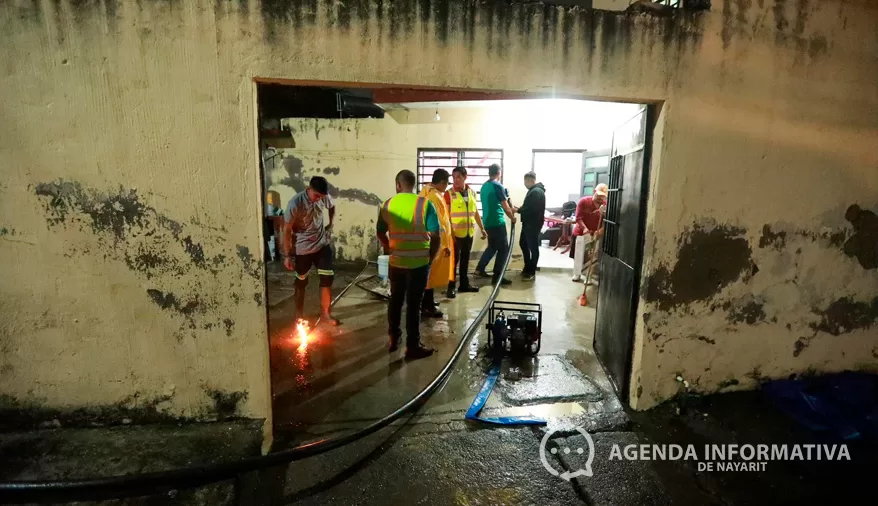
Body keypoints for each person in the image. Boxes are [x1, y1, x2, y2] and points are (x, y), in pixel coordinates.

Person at [376, 169, 440, 360]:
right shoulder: (424, 204)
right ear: (414, 184)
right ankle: (412, 347)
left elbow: (380, 231)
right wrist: (431, 257)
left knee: (395, 301)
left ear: (398, 184)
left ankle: (394, 339)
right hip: (419, 263)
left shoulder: (388, 204)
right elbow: (436, 235)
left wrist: (389, 248)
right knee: (414, 305)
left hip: (396, 263)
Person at [283, 176, 340, 325]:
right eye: (316, 196)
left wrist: (331, 224)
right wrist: (287, 255)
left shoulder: (323, 197)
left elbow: (332, 207)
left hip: (322, 244)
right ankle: (299, 316)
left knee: (327, 279)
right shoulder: (295, 203)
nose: (318, 199)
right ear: (309, 189)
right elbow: (287, 230)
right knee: (301, 282)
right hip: (303, 249)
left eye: (321, 197)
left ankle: (326, 314)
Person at [444, 166, 486, 298]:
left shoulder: (472, 192)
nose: (455, 180)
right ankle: (451, 287)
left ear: (465, 177)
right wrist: (449, 233)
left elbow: (475, 212)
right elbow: (445, 216)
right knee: (453, 261)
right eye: (454, 177)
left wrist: (482, 228)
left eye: (458, 177)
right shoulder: (449, 194)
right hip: (455, 234)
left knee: (465, 260)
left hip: (469, 233)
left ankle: (464, 284)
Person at [418, 169, 453, 317]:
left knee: (428, 273)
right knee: (430, 275)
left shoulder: (425, 192)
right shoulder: (434, 197)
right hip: (435, 242)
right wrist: (444, 245)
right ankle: (427, 306)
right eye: (447, 183)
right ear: (442, 182)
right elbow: (439, 225)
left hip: (426, 240)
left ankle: (427, 301)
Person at [475, 164, 516, 285]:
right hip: (497, 222)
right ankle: (498, 276)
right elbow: (505, 207)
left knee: (492, 247)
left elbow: (495, 203)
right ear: (499, 173)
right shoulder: (497, 186)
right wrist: (512, 218)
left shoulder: (484, 186)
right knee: (503, 249)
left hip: (487, 222)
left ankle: (479, 269)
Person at [572, 183, 608, 282]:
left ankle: (588, 276)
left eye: (603, 196)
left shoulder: (605, 205)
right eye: (599, 195)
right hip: (581, 232)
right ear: (594, 192)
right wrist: (584, 228)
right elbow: (578, 218)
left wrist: (601, 229)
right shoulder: (583, 201)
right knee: (579, 254)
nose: (600, 198)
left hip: (595, 233)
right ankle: (577, 274)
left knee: (592, 255)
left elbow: (607, 220)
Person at [517, 172, 546, 281]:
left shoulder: (535, 192)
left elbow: (531, 209)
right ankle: (527, 267)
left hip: (532, 225)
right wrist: (520, 208)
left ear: (528, 180)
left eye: (525, 181)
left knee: (533, 247)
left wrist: (519, 210)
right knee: (523, 243)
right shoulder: (535, 191)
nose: (524, 184)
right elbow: (530, 206)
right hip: (529, 224)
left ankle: (531, 271)